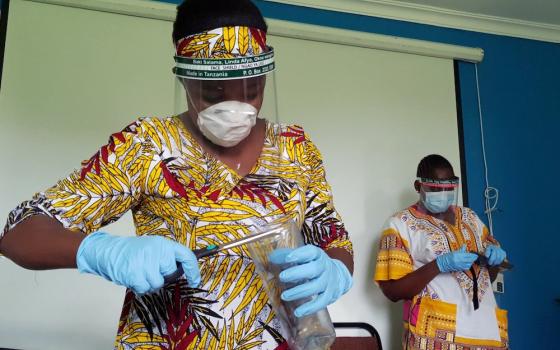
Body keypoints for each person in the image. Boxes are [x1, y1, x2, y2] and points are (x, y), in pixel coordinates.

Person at [0, 1, 353, 349]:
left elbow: (335, 241)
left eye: (252, 89)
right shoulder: (147, 145)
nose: (235, 107)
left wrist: (335, 271)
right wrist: (101, 252)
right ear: (185, 79)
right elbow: (19, 233)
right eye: (213, 91)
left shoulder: (296, 148)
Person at [374, 154, 508, 350]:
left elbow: (487, 276)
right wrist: (439, 265)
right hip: (435, 338)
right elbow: (393, 291)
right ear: (418, 186)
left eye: (449, 187)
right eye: (436, 188)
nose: (444, 193)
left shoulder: (470, 218)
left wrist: (493, 261)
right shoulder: (400, 224)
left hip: (487, 334)